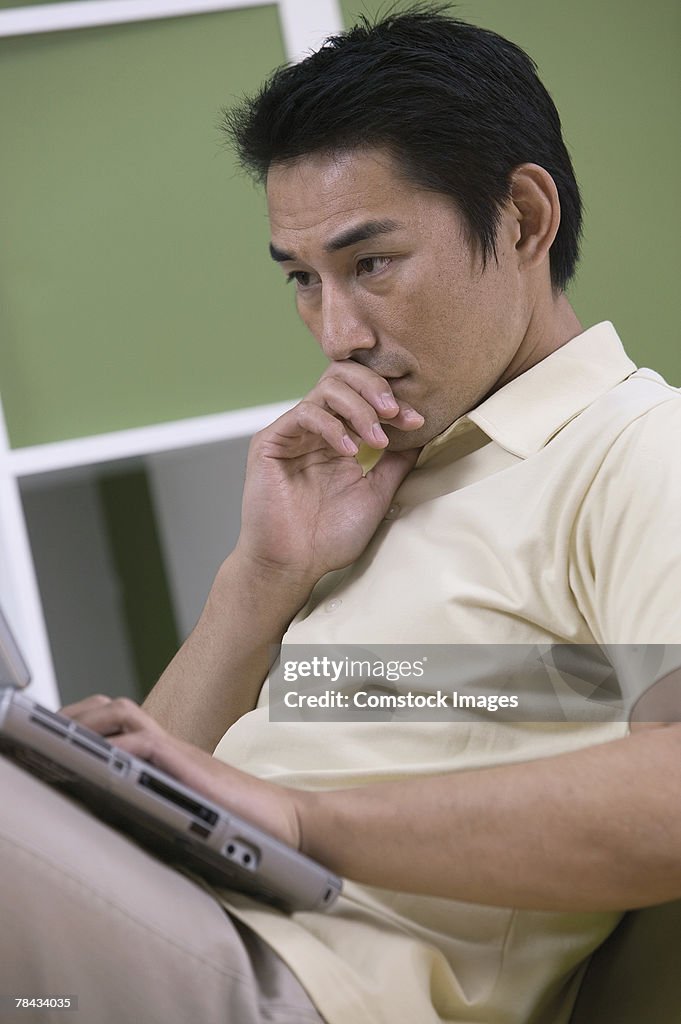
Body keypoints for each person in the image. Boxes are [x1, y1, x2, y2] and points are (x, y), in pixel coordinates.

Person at [2, 6, 680, 1023]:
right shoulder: (377, 481)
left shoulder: (638, 447)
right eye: (302, 282)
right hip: (191, 922)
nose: (336, 333)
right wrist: (261, 579)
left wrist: (305, 821)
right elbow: (114, 831)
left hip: (303, 987)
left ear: (527, 221)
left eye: (371, 264)